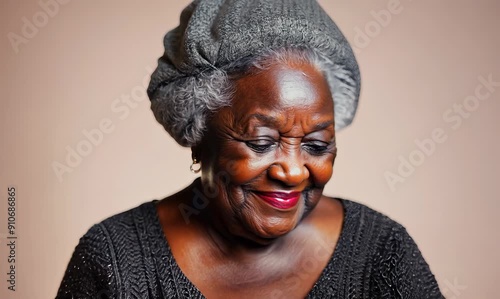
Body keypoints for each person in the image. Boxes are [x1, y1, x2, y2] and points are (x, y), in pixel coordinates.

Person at [57, 0, 444, 298]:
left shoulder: (380, 253)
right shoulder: (114, 259)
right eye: (262, 142)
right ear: (198, 133)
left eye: (315, 145)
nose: (292, 172)